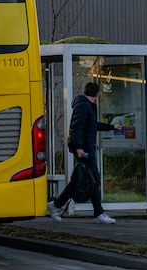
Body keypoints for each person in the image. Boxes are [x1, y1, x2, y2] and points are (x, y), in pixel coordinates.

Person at [48, 82, 123, 224]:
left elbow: (91, 125)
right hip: (84, 149)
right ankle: (98, 213)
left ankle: (56, 205)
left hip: (85, 148)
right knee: (93, 178)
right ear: (97, 94)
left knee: (83, 179)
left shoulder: (84, 105)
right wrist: (79, 148)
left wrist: (111, 127)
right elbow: (77, 127)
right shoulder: (83, 106)